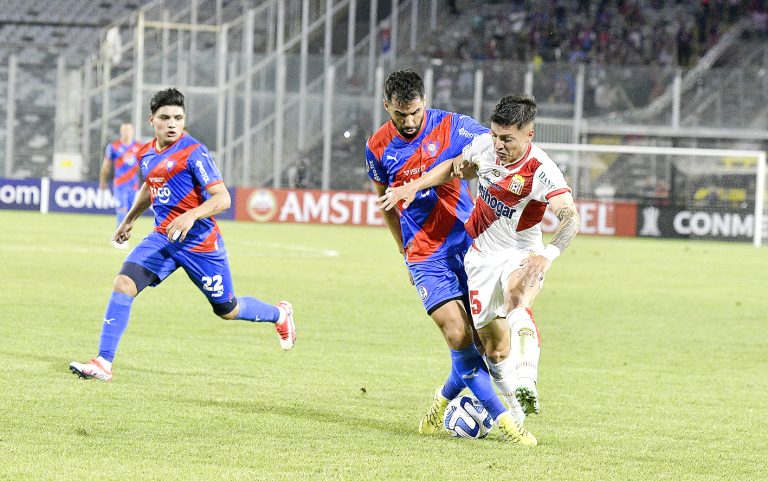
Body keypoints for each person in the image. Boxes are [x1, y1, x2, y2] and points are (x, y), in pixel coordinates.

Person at [70, 88, 296, 382]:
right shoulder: (146, 152)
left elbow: (222, 198)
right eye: (165, 117)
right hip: (163, 237)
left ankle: (279, 314)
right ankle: (103, 362)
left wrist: (190, 215)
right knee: (124, 283)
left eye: (178, 117)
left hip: (200, 243)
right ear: (152, 120)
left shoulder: (194, 152)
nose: (172, 123)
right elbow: (150, 187)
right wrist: (129, 219)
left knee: (227, 309)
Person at [379, 94, 580, 417]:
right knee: (493, 349)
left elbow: (571, 218)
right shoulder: (486, 147)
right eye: (495, 135)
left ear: (529, 134)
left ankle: (528, 377)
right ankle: (515, 411)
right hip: (480, 258)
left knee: (517, 297)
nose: (499, 145)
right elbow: (453, 167)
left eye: (507, 139)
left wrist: (548, 255)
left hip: (521, 253)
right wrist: (415, 186)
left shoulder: (542, 171)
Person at [365, 69, 536, 445]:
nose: (408, 123)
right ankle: (509, 424)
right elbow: (387, 205)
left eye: (414, 113)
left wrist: (468, 162)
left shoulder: (453, 126)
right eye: (399, 115)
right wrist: (403, 252)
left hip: (469, 244)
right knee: (457, 333)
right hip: (425, 254)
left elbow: (492, 148)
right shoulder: (377, 146)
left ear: (424, 102)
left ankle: (441, 403)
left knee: (488, 342)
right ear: (387, 106)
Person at [99, 122, 142, 249]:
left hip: (134, 186)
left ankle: (125, 235)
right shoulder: (113, 147)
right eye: (124, 130)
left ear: (133, 131)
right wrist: (103, 181)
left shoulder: (139, 147)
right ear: (120, 132)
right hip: (119, 185)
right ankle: (118, 238)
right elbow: (106, 165)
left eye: (129, 130)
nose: (126, 132)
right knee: (122, 209)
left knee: (130, 212)